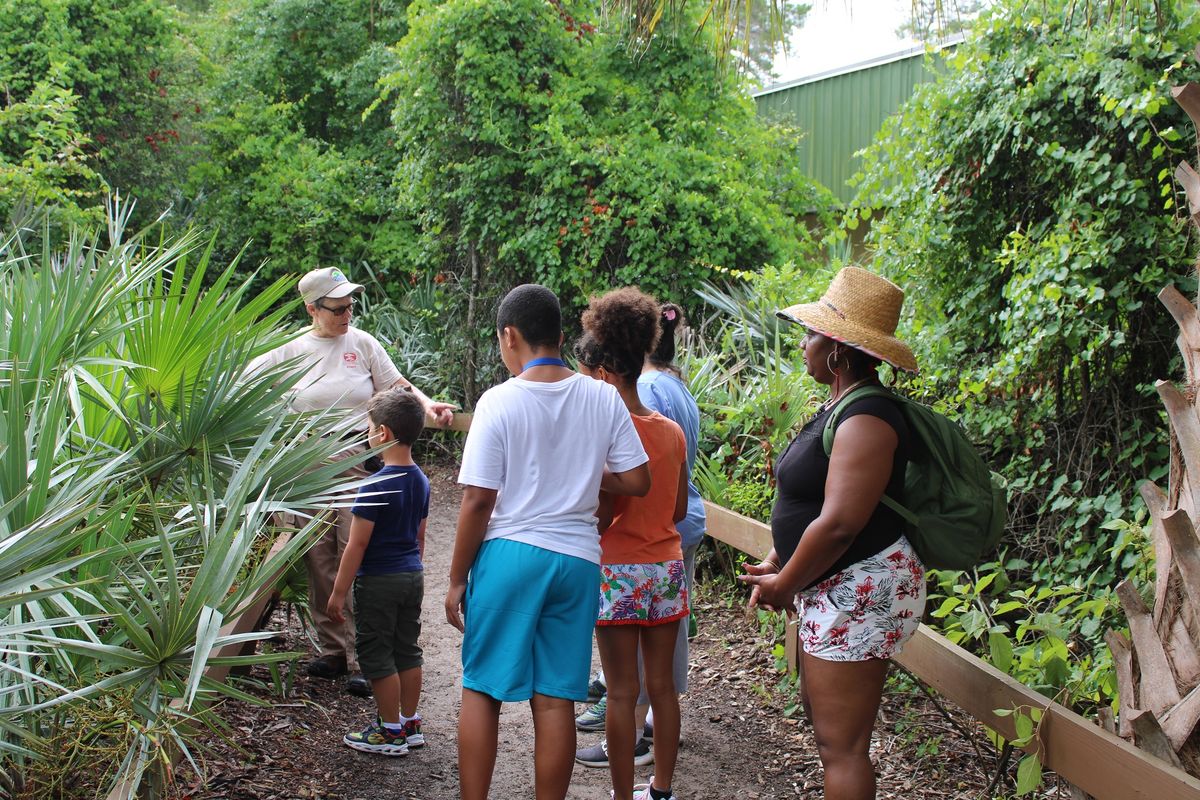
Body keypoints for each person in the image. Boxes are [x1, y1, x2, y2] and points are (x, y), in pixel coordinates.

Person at [445, 283, 651, 800]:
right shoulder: (602, 396)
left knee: (483, 689)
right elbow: (637, 481)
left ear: (508, 336)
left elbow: (477, 502)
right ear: (561, 336)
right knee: (556, 696)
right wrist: (583, 476)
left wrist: (454, 579)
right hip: (578, 560)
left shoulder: (498, 401)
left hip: (511, 555)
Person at [738, 267, 926, 800]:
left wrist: (785, 582)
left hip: (860, 586)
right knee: (831, 738)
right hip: (840, 584)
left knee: (841, 746)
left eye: (812, 335)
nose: (803, 344)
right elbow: (815, 500)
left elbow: (841, 522)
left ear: (838, 350)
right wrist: (781, 558)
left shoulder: (868, 416)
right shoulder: (842, 407)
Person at [247, 267, 453, 696]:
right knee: (317, 557)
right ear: (311, 309)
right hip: (306, 462)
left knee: (355, 551)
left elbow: (399, 386)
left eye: (350, 307)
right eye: (337, 308)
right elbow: (244, 384)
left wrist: (430, 405)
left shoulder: (362, 343)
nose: (347, 315)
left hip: (359, 458)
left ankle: (367, 656)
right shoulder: (288, 354)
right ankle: (333, 649)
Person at [575, 301, 704, 767]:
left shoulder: (603, 431)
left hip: (618, 572)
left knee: (621, 692)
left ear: (606, 372)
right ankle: (663, 790)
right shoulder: (671, 432)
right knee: (662, 688)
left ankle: (621, 792)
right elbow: (677, 507)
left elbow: (602, 514)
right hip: (666, 568)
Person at [327, 387, 428, 755]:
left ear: (382, 433)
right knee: (407, 649)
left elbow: (356, 544)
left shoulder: (373, 485)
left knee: (377, 653)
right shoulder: (421, 479)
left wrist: (339, 591)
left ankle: (389, 732)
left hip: (380, 580)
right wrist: (413, 566)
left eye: (369, 427)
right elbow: (420, 535)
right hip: (411, 575)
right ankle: (409, 722)